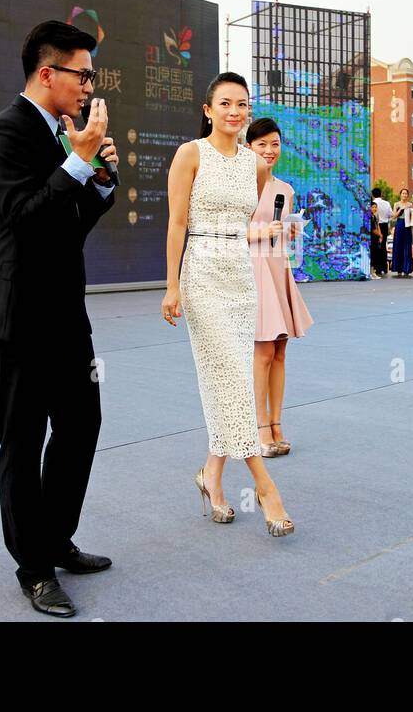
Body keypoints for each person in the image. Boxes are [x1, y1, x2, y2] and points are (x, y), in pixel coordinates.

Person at [0, 20, 118, 618]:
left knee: (82, 424)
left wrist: (101, 177)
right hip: (17, 316)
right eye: (82, 74)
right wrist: (77, 162)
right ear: (47, 72)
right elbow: (26, 220)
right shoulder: (4, 133)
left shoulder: (65, 136)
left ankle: (56, 538)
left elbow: (69, 223)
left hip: (65, 311)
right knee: (23, 440)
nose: (88, 86)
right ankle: (32, 568)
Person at [161, 72, 293, 537]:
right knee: (234, 380)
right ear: (208, 109)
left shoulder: (253, 166)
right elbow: (178, 223)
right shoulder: (190, 154)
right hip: (201, 273)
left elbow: (243, 225)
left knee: (228, 380)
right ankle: (264, 485)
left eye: (242, 104)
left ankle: (211, 476)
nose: (235, 112)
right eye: (226, 103)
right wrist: (172, 286)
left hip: (240, 276)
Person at [243, 117, 314, 457]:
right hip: (253, 271)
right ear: (248, 147)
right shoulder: (240, 185)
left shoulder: (285, 190)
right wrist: (262, 233)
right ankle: (258, 428)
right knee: (263, 351)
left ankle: (276, 424)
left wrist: (290, 232)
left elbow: (280, 232)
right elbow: (226, 232)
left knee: (280, 349)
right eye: (262, 145)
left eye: (274, 144)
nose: (269, 151)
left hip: (278, 268)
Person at [391, 188, 413, 277]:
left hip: (408, 225)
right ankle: (398, 268)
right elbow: (394, 216)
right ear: (400, 194)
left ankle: (407, 268)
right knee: (398, 246)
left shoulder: (411, 205)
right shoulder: (396, 204)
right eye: (403, 193)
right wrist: (400, 210)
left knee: (407, 246)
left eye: (406, 193)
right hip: (400, 224)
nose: (404, 195)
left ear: (408, 195)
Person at [369, 202, 388, 280]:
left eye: (375, 207)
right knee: (372, 255)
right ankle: (371, 272)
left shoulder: (375, 216)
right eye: (372, 207)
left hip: (376, 237)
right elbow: (373, 230)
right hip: (372, 237)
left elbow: (378, 226)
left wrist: (381, 235)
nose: (374, 209)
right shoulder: (369, 217)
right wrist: (379, 235)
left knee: (375, 254)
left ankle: (373, 272)